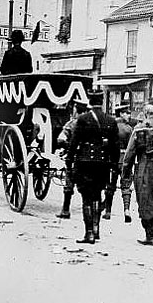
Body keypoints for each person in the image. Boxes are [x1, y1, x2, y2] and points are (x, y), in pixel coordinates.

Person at [67, 91, 119, 244]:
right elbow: (115, 146)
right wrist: (114, 165)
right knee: (97, 195)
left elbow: (74, 142)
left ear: (90, 101)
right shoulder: (110, 120)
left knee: (86, 198)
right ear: (102, 101)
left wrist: (69, 160)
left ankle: (88, 233)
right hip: (103, 164)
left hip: (84, 163)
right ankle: (96, 230)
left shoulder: (83, 119)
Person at [122, 99, 153, 245]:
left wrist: (126, 171)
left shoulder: (140, 129)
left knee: (144, 201)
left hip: (144, 167)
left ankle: (150, 236)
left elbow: (130, 153)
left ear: (146, 113)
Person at [103, 104, 134, 223]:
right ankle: (126, 210)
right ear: (121, 114)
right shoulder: (128, 129)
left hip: (112, 160)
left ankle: (108, 211)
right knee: (126, 185)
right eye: (127, 113)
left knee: (110, 185)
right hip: (125, 160)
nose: (129, 115)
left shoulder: (110, 127)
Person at [55, 102, 82, 219]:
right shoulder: (92, 122)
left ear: (76, 110)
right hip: (91, 160)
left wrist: (67, 147)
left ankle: (65, 210)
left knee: (69, 183)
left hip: (75, 159)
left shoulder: (71, 124)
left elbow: (61, 139)